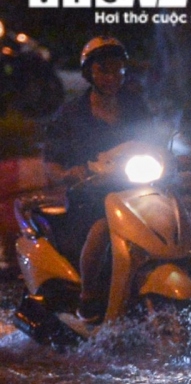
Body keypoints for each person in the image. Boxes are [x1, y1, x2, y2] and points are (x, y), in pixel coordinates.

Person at [44, 36, 153, 321]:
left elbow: (155, 142)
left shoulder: (135, 107)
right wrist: (70, 173)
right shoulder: (71, 115)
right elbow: (51, 166)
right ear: (89, 72)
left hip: (134, 191)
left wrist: (177, 159)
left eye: (117, 69)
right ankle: (89, 297)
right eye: (104, 69)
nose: (111, 77)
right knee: (103, 228)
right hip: (89, 197)